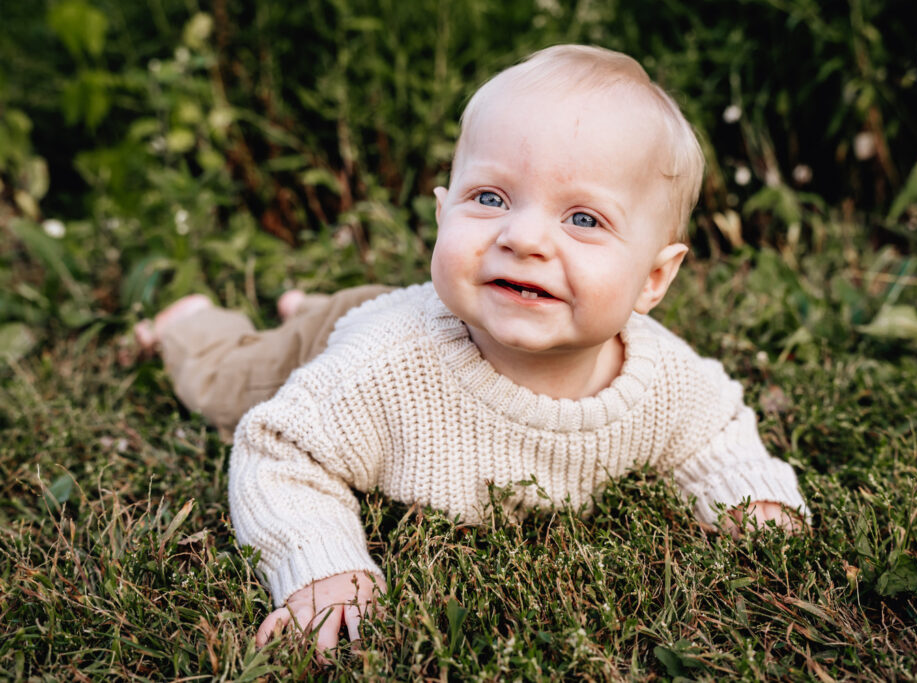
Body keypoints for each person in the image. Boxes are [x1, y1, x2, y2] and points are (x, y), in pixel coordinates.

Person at [135, 44, 809, 653]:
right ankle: (192, 320)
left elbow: (716, 435)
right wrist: (322, 562)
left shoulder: (660, 377)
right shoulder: (384, 367)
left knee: (353, 309)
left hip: (379, 312)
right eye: (490, 197)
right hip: (347, 337)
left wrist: (750, 499)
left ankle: (309, 303)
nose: (525, 238)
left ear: (654, 278)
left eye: (583, 218)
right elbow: (281, 449)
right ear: (442, 214)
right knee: (223, 381)